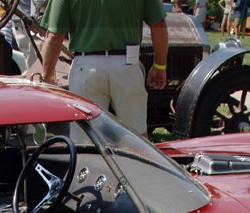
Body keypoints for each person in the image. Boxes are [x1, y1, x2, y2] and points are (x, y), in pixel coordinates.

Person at [40, 0, 169, 135]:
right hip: (127, 65)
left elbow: (55, 35)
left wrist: (47, 78)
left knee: (85, 140)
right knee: (137, 139)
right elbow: (158, 24)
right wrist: (160, 66)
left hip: (85, 67)